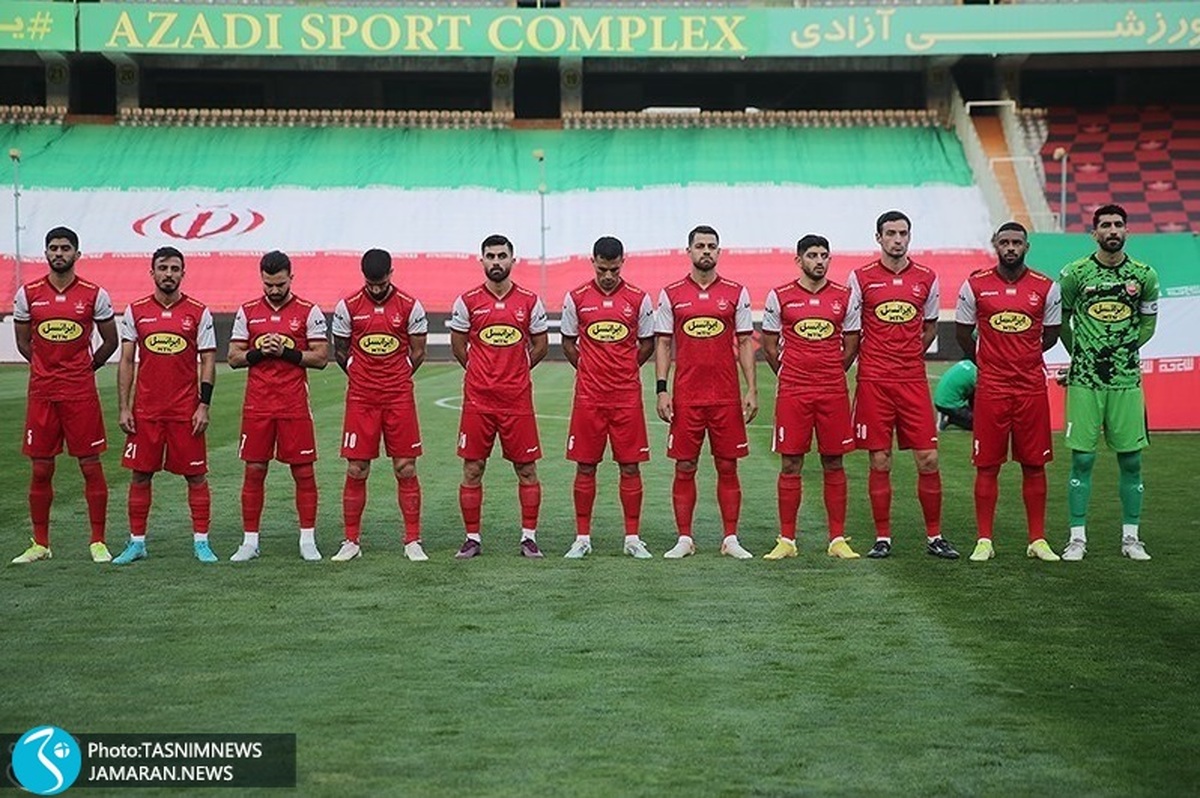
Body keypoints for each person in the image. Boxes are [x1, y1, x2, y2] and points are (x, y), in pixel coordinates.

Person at [844, 210, 959, 559]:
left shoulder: (927, 277)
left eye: (903, 233)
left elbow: (929, 328)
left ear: (909, 236)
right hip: (874, 381)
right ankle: (883, 538)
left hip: (911, 381)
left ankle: (935, 536)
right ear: (878, 238)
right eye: (891, 233)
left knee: (928, 458)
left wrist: (907, 356)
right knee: (880, 460)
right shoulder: (860, 278)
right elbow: (852, 330)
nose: (897, 239)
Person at [955, 222, 1062, 562]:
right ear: (995, 245)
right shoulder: (975, 285)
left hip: (1030, 387)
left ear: (1026, 247)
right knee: (987, 465)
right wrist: (988, 361)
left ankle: (1037, 540)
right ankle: (984, 540)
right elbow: (962, 334)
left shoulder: (1046, 287)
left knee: (1035, 464)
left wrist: (1023, 357)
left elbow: (1051, 335)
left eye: (1017, 242)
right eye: (1005, 242)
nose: (1011, 248)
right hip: (992, 388)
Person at [11, 227, 119, 564]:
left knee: (90, 466)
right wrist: (45, 368)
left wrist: (86, 368)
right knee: (41, 469)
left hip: (79, 393)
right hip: (43, 393)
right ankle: (40, 544)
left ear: (77, 254)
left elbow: (111, 341)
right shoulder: (28, 294)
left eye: (66, 248)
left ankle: (98, 541)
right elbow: (23, 342)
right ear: (46, 253)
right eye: (54, 248)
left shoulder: (94, 294)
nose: (59, 253)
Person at [1057, 204, 1159, 561]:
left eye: (1118, 224)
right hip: (1085, 381)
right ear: (1094, 233)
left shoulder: (1144, 276)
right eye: (1105, 225)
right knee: (1082, 460)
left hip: (1126, 380)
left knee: (1131, 461)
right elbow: (1062, 321)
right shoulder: (1075, 273)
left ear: (1127, 231)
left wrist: (1121, 350)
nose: (1112, 230)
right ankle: (1077, 539)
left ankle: (1131, 539)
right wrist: (1080, 354)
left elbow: (1148, 325)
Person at [655, 225, 757, 559]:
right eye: (700, 246)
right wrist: (662, 389)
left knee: (728, 466)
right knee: (684, 466)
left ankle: (731, 539)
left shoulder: (735, 292)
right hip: (687, 396)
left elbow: (745, 341)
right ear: (689, 251)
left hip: (725, 396)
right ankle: (684, 538)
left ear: (719, 251)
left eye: (712, 246)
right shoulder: (671, 294)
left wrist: (751, 389)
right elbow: (664, 343)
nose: (706, 251)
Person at [112, 247, 218, 564]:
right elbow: (127, 360)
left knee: (196, 477)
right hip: (146, 412)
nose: (168, 274)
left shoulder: (198, 312)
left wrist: (203, 405)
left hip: (186, 411)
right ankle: (137, 543)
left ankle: (201, 542)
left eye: (174, 268)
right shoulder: (136, 311)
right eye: (163, 268)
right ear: (152, 272)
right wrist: (124, 407)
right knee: (140, 476)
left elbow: (208, 360)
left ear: (183, 273)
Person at [449, 234, 549, 559]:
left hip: (516, 401)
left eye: (501, 256)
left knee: (526, 469)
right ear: (482, 260)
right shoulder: (467, 301)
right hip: (478, 401)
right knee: (473, 468)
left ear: (512, 260)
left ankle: (529, 538)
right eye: (490, 256)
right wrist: (479, 371)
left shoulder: (530, 301)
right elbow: (458, 345)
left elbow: (541, 345)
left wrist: (517, 370)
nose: (496, 262)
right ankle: (472, 538)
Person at [760, 234, 859, 561]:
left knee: (834, 461)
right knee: (790, 463)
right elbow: (769, 346)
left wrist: (831, 372)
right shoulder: (780, 296)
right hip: (794, 392)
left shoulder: (844, 296)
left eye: (824, 255)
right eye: (812, 255)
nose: (819, 261)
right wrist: (791, 375)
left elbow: (852, 343)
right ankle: (786, 539)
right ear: (798, 260)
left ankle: (837, 539)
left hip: (832, 391)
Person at [227, 251, 329, 561]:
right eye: (269, 284)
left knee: (303, 471)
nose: (274, 290)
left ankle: (307, 540)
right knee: (255, 470)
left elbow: (321, 358)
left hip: (293, 405)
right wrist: (260, 351)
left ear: (291, 278)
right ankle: (250, 542)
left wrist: (286, 351)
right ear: (261, 279)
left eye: (280, 284)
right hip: (257, 406)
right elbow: (233, 358)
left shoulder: (308, 311)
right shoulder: (247, 312)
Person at [560, 236, 655, 559]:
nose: (608, 276)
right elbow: (568, 343)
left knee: (630, 467)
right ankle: (582, 538)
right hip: (589, 398)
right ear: (593, 262)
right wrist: (589, 370)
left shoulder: (638, 299)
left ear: (622, 263)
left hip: (626, 397)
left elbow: (646, 344)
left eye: (614, 269)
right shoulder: (576, 298)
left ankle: (632, 538)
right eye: (602, 269)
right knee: (586, 466)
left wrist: (624, 369)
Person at [331, 249, 428, 562]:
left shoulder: (410, 306)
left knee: (405, 467)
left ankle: (412, 540)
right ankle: (351, 541)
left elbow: (418, 352)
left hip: (399, 397)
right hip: (362, 398)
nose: (376, 288)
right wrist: (361, 376)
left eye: (381, 282)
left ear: (391, 274)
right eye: (371, 283)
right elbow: (340, 351)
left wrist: (397, 376)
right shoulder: (348, 307)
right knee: (356, 468)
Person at [933, 359, 976, 431]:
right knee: (979, 424)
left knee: (974, 391)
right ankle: (949, 418)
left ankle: (948, 415)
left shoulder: (967, 363)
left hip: (941, 401)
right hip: (948, 405)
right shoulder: (975, 375)